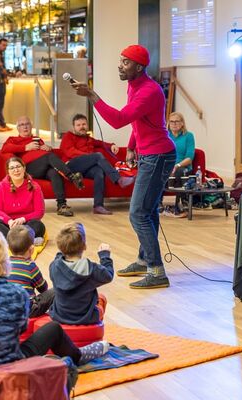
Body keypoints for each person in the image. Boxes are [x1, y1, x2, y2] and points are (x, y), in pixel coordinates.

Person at [0, 229, 109, 399]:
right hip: (5, 380)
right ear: (3, 258)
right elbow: (20, 329)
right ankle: (77, 355)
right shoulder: (17, 294)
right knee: (52, 329)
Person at [71, 44, 176, 289]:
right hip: (150, 153)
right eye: (120, 60)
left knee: (138, 213)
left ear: (139, 67)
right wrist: (131, 145)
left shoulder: (149, 91)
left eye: (125, 62)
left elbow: (118, 120)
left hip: (158, 156)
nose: (120, 65)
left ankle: (157, 271)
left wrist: (91, 95)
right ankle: (144, 259)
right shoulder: (135, 85)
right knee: (147, 212)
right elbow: (139, 121)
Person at [1, 116, 83, 216]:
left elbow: (44, 153)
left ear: (31, 126)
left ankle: (62, 205)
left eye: (27, 124)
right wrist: (25, 147)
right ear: (18, 128)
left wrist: (48, 148)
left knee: (53, 172)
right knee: (49, 157)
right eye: (22, 125)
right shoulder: (13, 139)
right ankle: (72, 177)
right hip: (29, 168)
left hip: (43, 167)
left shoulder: (36, 139)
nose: (25, 127)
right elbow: (4, 149)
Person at [60, 113, 135, 215]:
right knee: (97, 155)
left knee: (98, 172)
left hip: (85, 168)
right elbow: (70, 152)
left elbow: (100, 143)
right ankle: (118, 179)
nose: (82, 127)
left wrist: (112, 145)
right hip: (71, 167)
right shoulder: (68, 136)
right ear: (73, 127)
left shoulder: (88, 139)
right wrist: (90, 157)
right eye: (78, 125)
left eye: (84, 124)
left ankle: (98, 206)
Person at [49, 222, 113, 325]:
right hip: (87, 318)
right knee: (101, 299)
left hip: (58, 316)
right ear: (84, 246)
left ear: (60, 245)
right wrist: (105, 256)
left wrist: (63, 248)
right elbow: (108, 275)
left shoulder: (54, 266)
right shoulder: (91, 269)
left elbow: (58, 257)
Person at [0, 156, 46, 240]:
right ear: (8, 172)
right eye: (12, 168)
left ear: (24, 168)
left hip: (26, 224)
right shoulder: (1, 186)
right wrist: (9, 221)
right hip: (8, 225)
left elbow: (39, 212)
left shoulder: (35, 186)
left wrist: (23, 219)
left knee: (38, 225)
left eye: (18, 167)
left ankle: (11, 239)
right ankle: (23, 239)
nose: (16, 170)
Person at [7, 225, 54, 318]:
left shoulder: (2, 264)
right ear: (31, 250)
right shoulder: (30, 266)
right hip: (27, 311)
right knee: (55, 292)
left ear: (9, 248)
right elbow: (43, 288)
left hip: (4, 309)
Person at [166, 112, 195, 217]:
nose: (174, 124)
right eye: (172, 121)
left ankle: (181, 204)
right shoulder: (165, 135)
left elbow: (189, 158)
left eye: (177, 121)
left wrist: (177, 165)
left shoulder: (188, 136)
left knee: (179, 172)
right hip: (167, 166)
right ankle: (158, 204)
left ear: (182, 123)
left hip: (183, 167)